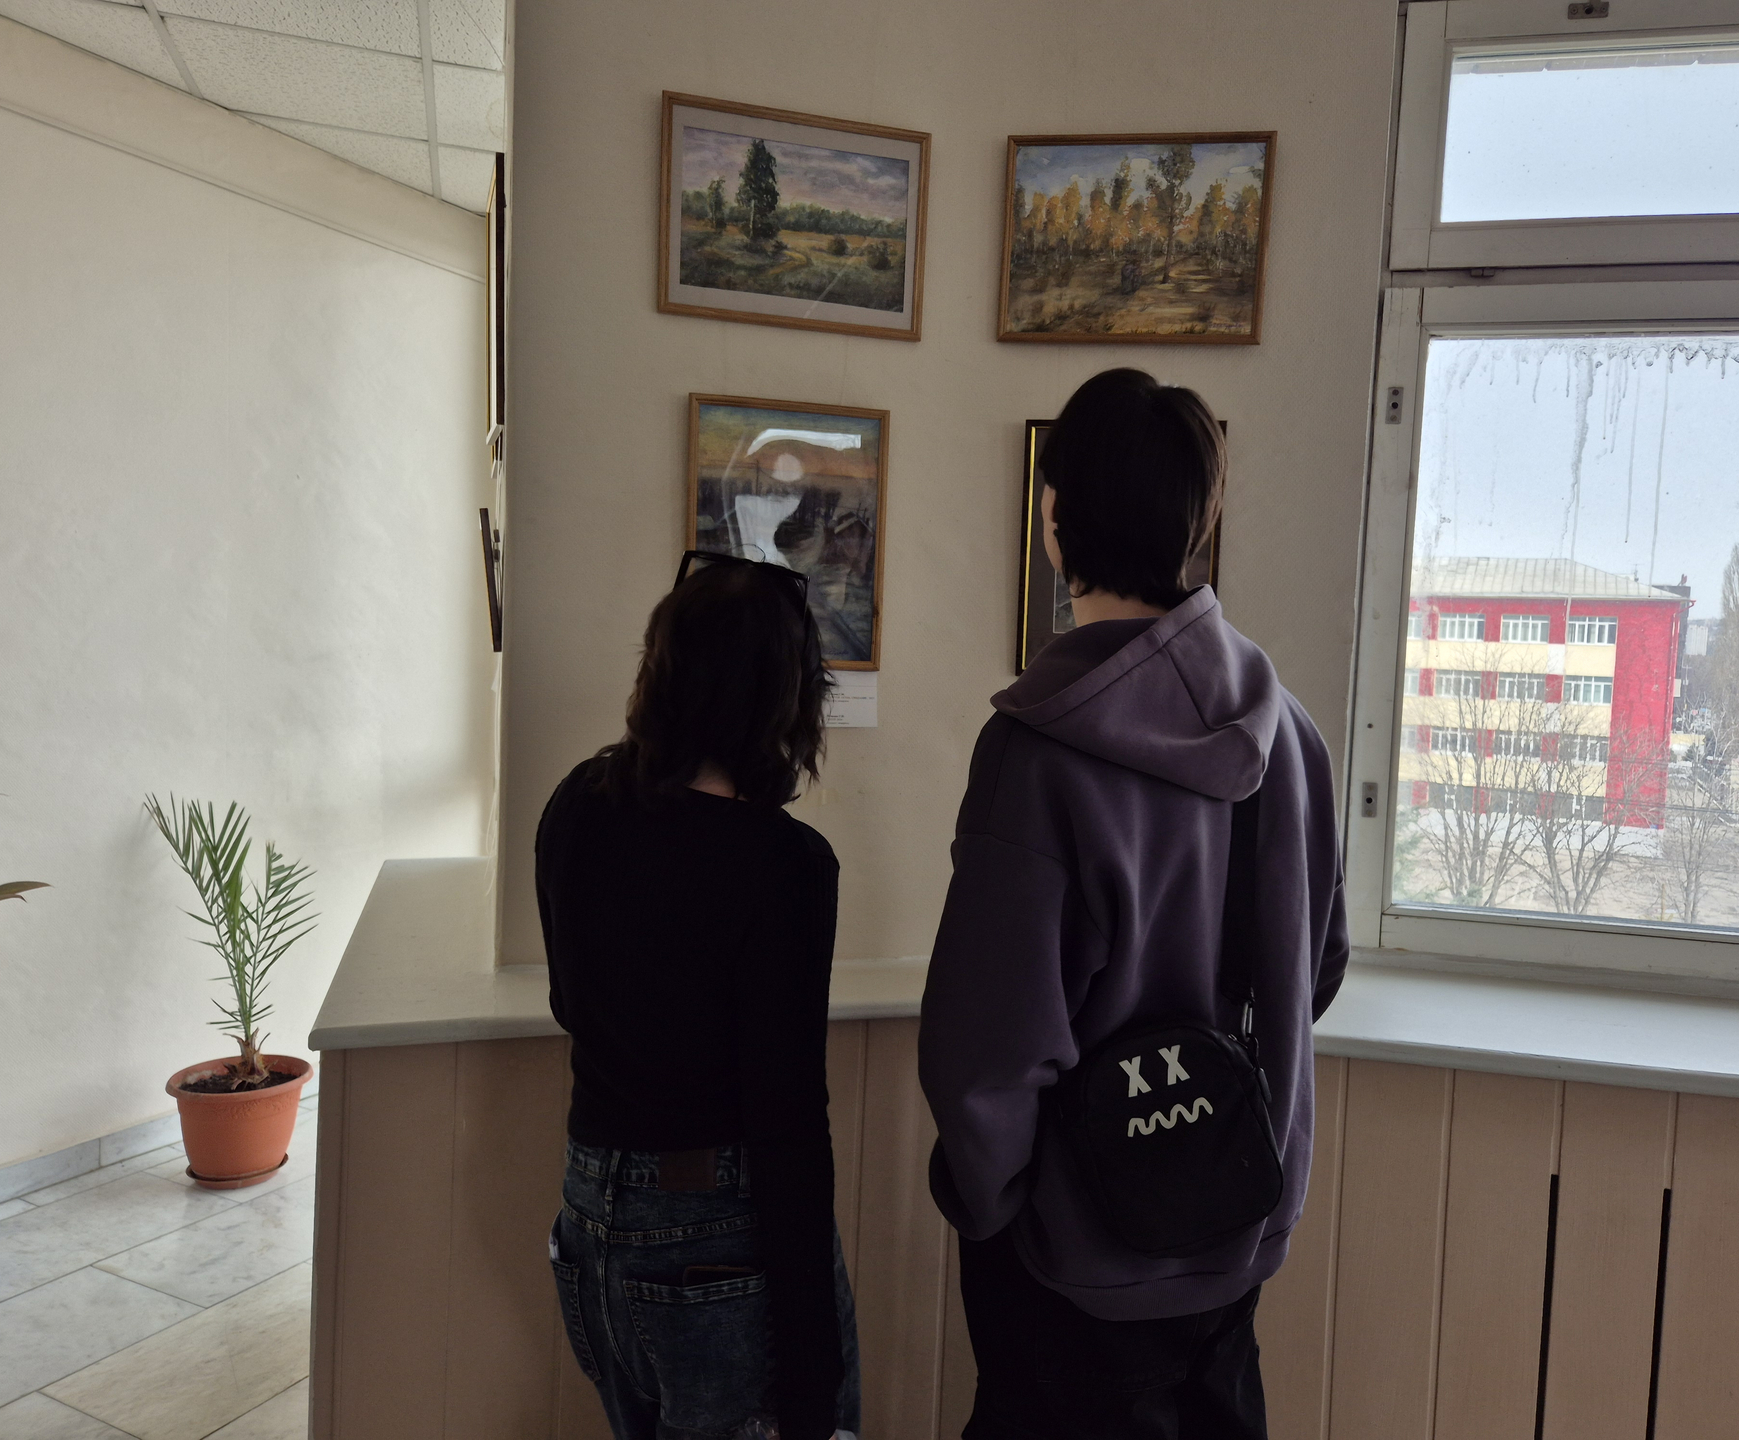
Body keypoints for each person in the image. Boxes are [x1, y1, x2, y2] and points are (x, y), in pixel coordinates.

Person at [919, 369, 1349, 1439]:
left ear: (1053, 518)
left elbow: (987, 1051)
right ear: (1200, 520)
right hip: (1237, 1218)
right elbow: (1317, 966)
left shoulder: (1035, 753)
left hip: (1073, 1258)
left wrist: (997, 1207)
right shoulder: (1289, 732)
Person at [538, 551, 859, 1440]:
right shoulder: (786, 867)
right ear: (786, 698)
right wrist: (813, 1372)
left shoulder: (578, 803)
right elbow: (788, 1120)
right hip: (714, 1237)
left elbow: (570, 1001)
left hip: (589, 1215)